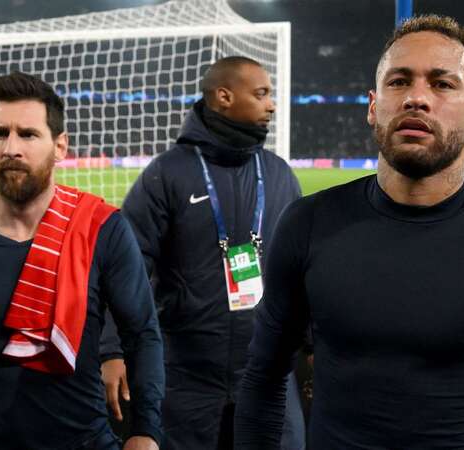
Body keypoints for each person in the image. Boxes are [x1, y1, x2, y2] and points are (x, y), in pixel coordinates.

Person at [234, 15, 464, 449]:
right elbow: (263, 380)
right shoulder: (307, 225)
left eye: (442, 84)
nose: (416, 98)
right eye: (399, 82)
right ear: (374, 106)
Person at [0, 72, 164, 450]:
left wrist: (146, 431)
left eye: (28, 134)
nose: (11, 148)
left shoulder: (102, 229)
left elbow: (142, 332)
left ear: (60, 146)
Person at [100, 56, 306, 450]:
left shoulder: (279, 174)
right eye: (261, 93)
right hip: (186, 381)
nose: (272, 104)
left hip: (268, 378)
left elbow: (303, 271)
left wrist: (316, 347)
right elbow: (126, 267)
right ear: (224, 96)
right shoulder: (167, 174)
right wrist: (111, 348)